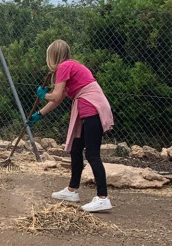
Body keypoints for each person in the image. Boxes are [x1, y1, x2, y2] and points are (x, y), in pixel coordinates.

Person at [27, 39, 115, 213]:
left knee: (92, 154)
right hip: (88, 110)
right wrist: (40, 114)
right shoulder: (70, 67)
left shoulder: (64, 67)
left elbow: (55, 95)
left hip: (92, 109)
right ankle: (72, 190)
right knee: (76, 150)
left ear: (52, 55)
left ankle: (103, 198)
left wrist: (44, 95)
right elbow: (58, 99)